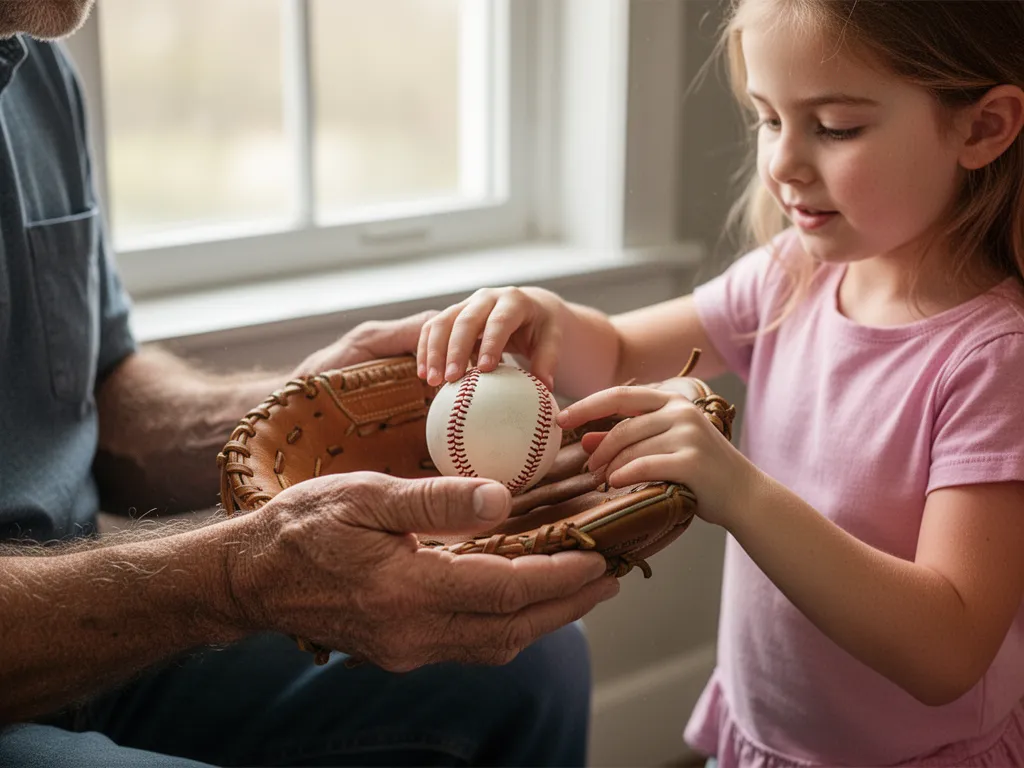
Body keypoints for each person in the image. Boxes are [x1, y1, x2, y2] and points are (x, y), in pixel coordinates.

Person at [393, 0, 1024, 764]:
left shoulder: (993, 360)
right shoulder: (793, 275)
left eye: (835, 127)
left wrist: (740, 491)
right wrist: (546, 315)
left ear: (982, 128)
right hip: (764, 738)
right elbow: (624, 351)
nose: (784, 163)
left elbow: (947, 652)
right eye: (767, 118)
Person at [0, 3, 621, 766]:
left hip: (85, 625)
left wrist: (296, 412)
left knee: (534, 665)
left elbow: (94, 393)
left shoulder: (35, 63)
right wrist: (238, 577)